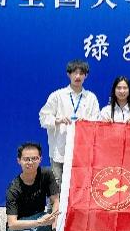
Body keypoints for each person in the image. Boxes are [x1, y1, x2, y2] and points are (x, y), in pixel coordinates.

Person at [5, 142, 75, 231]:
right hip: (19, 225)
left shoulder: (46, 174)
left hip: (41, 218)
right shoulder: (13, 188)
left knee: (67, 218)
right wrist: (39, 222)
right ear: (19, 161)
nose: (30, 162)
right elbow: (12, 224)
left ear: (40, 159)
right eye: (26, 159)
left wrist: (55, 228)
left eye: (34, 158)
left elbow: (55, 201)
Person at [39, 59, 100, 188]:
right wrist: (58, 120)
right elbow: (43, 117)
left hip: (82, 151)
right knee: (57, 186)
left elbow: (96, 123)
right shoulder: (58, 95)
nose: (78, 76)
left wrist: (86, 123)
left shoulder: (91, 98)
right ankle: (56, 203)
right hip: (60, 150)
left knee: (80, 187)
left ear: (86, 76)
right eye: (74, 73)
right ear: (68, 74)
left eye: (81, 73)